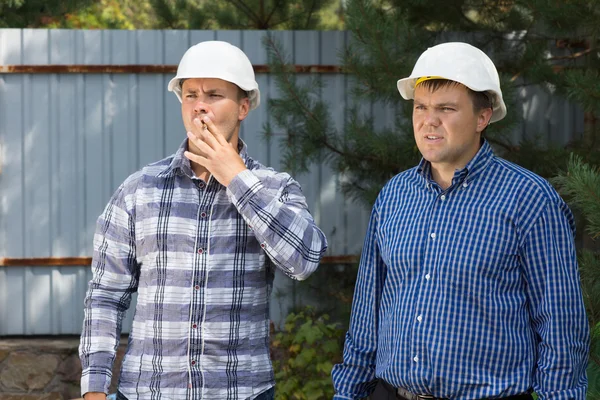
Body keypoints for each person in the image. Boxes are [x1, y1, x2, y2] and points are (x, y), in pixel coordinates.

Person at [331, 42, 589, 400]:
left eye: (446, 109)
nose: (428, 121)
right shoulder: (394, 196)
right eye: (420, 107)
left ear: (482, 117)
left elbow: (561, 326)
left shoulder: (529, 199)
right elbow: (367, 315)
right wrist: (349, 394)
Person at [79, 40, 328, 400]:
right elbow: (105, 295)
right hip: (147, 392)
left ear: (243, 107)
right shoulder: (139, 190)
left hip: (241, 392)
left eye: (213, 95)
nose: (199, 107)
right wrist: (95, 390)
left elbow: (304, 261)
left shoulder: (276, 188)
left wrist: (237, 179)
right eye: (191, 94)